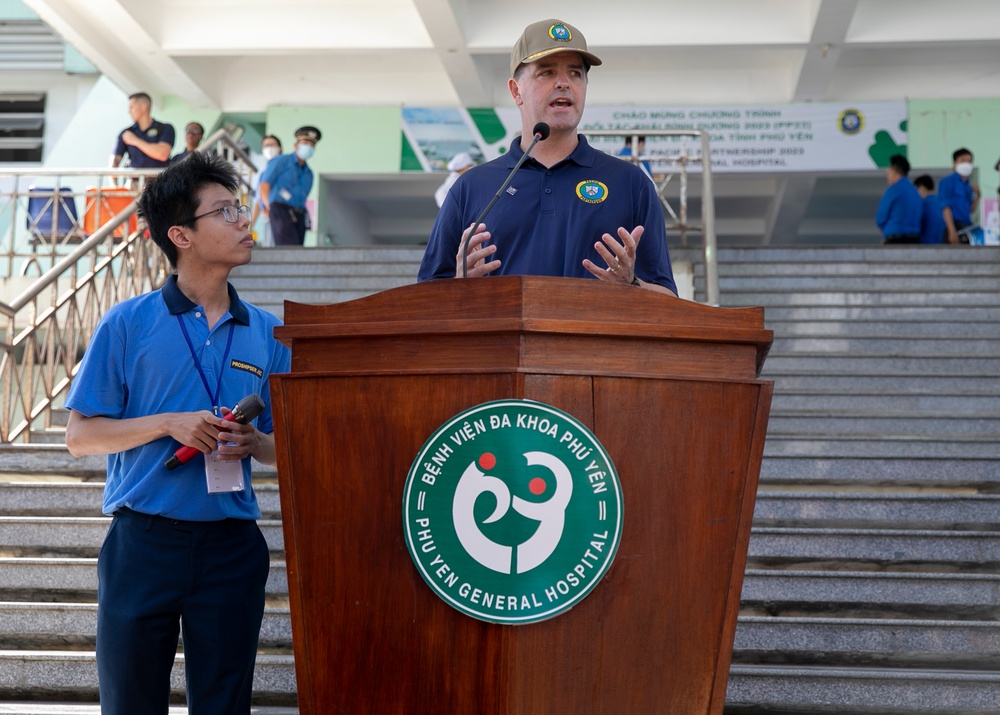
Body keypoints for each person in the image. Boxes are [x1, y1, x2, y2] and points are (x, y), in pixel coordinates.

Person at [63, 151, 290, 715]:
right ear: (180, 235)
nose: (244, 220)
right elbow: (80, 436)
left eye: (240, 207)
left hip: (232, 546)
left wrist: (253, 443)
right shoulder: (127, 322)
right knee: (131, 700)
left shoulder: (269, 334)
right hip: (143, 542)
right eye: (225, 211)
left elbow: (290, 451)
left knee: (224, 704)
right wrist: (168, 423)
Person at [418, 19, 676, 295]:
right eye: (547, 72)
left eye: (575, 73)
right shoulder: (471, 188)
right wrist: (460, 285)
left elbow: (669, 300)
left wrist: (632, 285)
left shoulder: (631, 183)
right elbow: (424, 299)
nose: (564, 83)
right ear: (516, 91)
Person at [258, 126, 320, 246]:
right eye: (305, 143)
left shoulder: (309, 173)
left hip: (299, 214)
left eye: (312, 145)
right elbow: (264, 185)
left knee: (298, 249)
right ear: (296, 145)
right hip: (279, 210)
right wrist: (268, 206)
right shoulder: (281, 161)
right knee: (287, 249)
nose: (309, 147)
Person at [110, 92, 175, 169]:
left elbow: (163, 154)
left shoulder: (165, 128)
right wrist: (113, 181)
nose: (129, 111)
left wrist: (135, 141)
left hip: (159, 180)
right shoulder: (127, 132)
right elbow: (114, 161)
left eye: (132, 107)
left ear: (143, 107)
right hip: (134, 180)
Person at [875, 154, 922, 244]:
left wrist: (883, 227)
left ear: (894, 171)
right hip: (915, 239)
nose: (887, 173)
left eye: (889, 169)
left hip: (895, 239)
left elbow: (881, 216)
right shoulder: (915, 191)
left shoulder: (894, 190)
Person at [938, 147, 981, 244]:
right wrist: (952, 230)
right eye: (962, 161)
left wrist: (978, 196)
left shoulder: (968, 185)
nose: (966, 164)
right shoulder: (947, 182)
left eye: (969, 161)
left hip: (966, 226)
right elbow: (946, 207)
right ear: (954, 163)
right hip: (953, 226)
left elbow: (970, 210)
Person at [251, 134, 283, 245]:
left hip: (284, 217)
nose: (268, 148)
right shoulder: (263, 175)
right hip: (269, 218)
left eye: (271, 145)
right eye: (266, 146)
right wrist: (251, 225)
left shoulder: (285, 171)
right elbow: (258, 202)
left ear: (280, 148)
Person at [913, 174, 946, 245]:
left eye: (916, 189)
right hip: (939, 244)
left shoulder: (923, 204)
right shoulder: (940, 203)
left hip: (925, 244)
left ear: (922, 187)